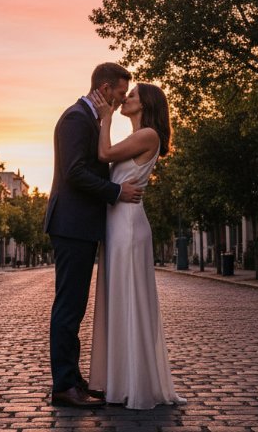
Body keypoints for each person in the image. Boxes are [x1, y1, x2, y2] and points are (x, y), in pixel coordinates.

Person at [44, 62, 145, 409]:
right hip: (71, 225)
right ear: (104, 88)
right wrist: (115, 193)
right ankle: (64, 386)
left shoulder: (89, 119)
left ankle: (73, 380)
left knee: (75, 306)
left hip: (80, 226)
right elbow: (74, 173)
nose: (120, 99)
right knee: (68, 307)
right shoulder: (76, 118)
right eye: (119, 92)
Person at [88, 82, 186, 410]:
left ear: (144, 104)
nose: (124, 99)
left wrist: (105, 117)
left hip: (129, 225)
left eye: (131, 96)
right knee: (118, 297)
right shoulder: (137, 136)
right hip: (118, 222)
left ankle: (133, 381)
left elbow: (104, 155)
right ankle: (119, 378)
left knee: (129, 298)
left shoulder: (148, 135)